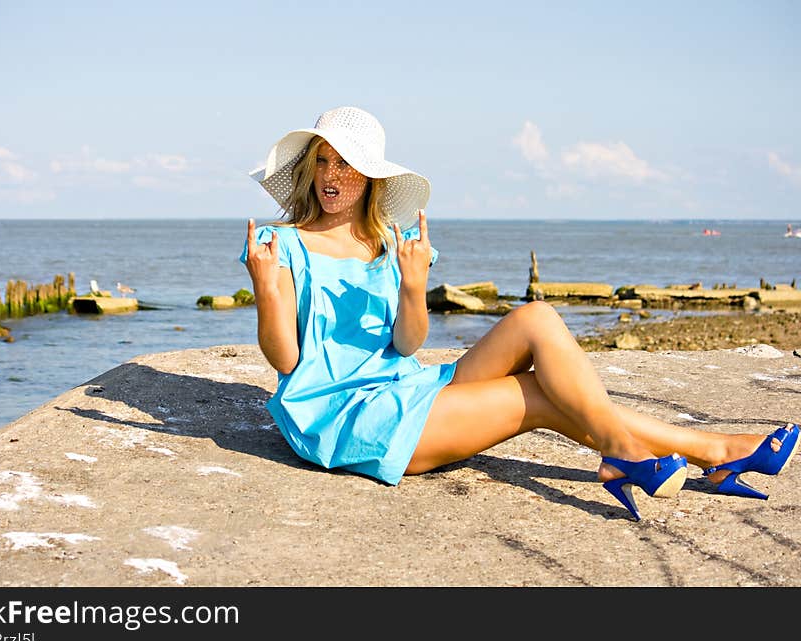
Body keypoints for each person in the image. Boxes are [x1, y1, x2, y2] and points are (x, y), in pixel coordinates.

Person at [240, 106, 798, 521]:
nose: (333, 175)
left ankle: (692, 453)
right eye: (323, 161)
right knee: (539, 395)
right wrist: (267, 291)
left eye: (348, 164)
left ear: (372, 178)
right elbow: (287, 360)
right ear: (311, 169)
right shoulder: (280, 244)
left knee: (537, 316)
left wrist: (412, 286)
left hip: (405, 385)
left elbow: (407, 345)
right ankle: (685, 451)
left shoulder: (396, 242)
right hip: (343, 413)